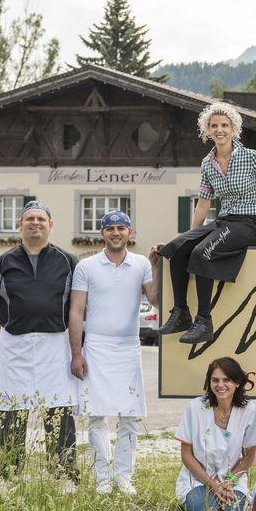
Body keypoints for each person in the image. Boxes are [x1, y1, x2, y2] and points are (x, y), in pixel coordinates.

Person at [152, 101, 256, 344]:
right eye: (214, 126)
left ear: (233, 129)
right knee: (177, 249)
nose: (219, 130)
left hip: (250, 223)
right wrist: (188, 238)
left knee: (202, 253)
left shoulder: (251, 156)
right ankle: (181, 313)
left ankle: (204, 321)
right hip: (225, 221)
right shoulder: (207, 163)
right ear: (207, 131)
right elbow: (203, 202)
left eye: (224, 125)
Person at [0, 200, 80, 490]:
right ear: (20, 225)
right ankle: (9, 477)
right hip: (15, 346)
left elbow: (79, 305)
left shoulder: (67, 260)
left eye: (41, 219)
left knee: (58, 410)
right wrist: (10, 318)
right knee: (12, 411)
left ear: (50, 225)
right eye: (30, 219)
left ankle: (65, 477)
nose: (35, 223)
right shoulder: (2, 262)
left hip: (55, 344)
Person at [69, 211, 159, 496]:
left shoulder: (141, 264)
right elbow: (76, 311)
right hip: (95, 346)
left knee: (129, 415)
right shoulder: (86, 266)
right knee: (96, 416)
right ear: (102, 233)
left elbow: (155, 299)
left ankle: (124, 477)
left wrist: (157, 267)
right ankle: (103, 478)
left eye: (121, 228)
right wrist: (76, 352)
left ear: (130, 232)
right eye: (110, 228)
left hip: (128, 346)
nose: (116, 233)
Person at [174, 357, 256, 511]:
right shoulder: (195, 408)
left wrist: (229, 482)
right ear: (209, 382)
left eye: (226, 380)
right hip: (199, 479)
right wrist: (213, 485)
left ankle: (227, 505)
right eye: (215, 380)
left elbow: (249, 455)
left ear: (237, 382)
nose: (220, 385)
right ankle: (198, 502)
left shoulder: (248, 410)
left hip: (231, 481)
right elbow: (186, 455)